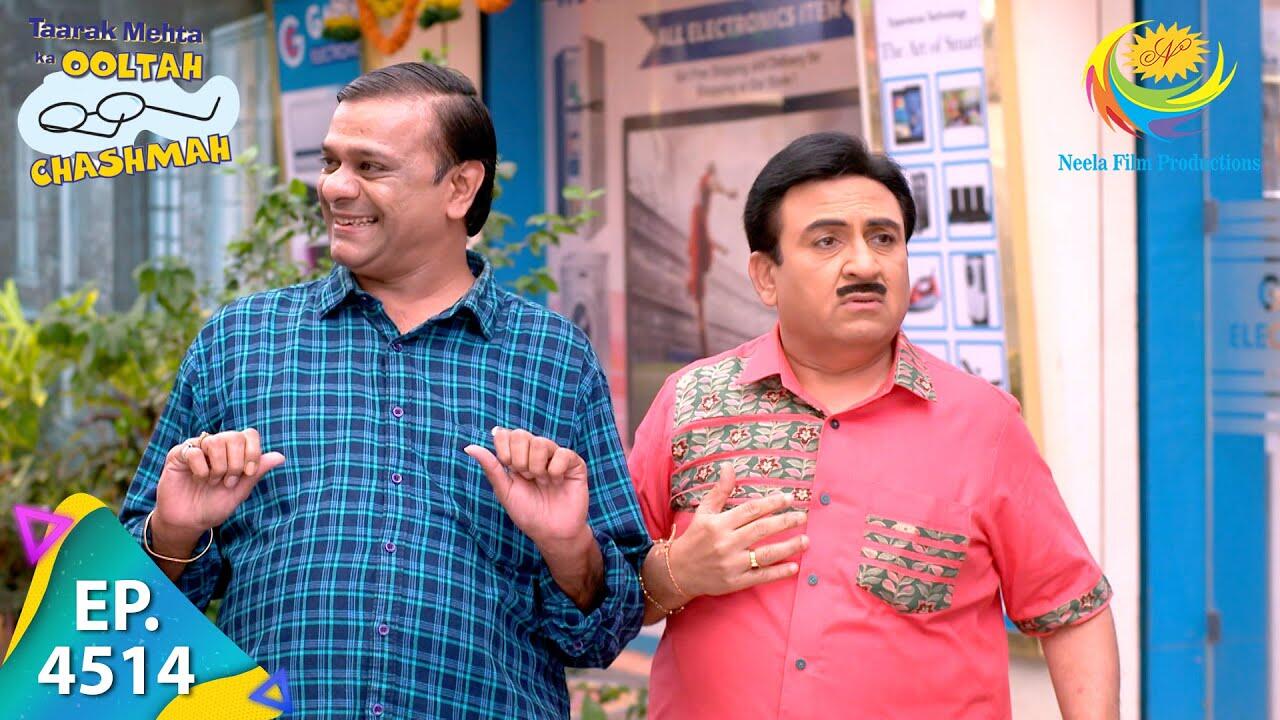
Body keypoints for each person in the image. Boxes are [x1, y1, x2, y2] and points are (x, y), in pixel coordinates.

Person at [119, 62, 650, 719]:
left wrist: (569, 548)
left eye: (370, 167)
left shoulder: (553, 359)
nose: (336, 187)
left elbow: (605, 631)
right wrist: (175, 529)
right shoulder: (240, 341)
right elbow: (130, 616)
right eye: (331, 162)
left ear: (460, 187)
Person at [629, 132, 1119, 719]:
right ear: (765, 276)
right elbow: (603, 597)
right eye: (827, 240)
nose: (864, 263)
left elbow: (1071, 612)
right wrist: (678, 573)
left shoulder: (983, 424)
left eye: (883, 238)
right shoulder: (691, 402)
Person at [686, 162, 737, 357]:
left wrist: (717, 247)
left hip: (700, 247)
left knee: (699, 296)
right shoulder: (699, 208)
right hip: (699, 247)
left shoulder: (700, 212)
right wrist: (728, 192)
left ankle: (703, 346)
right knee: (699, 296)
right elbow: (713, 184)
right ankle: (703, 346)